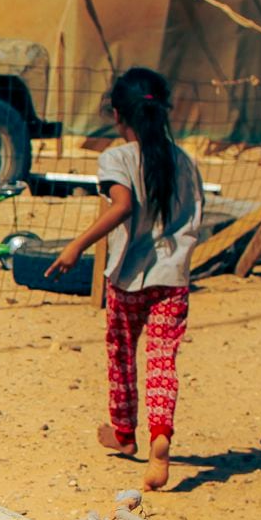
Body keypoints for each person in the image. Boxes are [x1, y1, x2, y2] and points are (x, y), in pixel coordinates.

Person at [47, 67, 200, 490]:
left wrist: (75, 246)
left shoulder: (116, 159)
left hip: (128, 275)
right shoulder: (185, 161)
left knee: (121, 353)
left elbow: (122, 205)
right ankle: (160, 438)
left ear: (117, 114)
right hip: (173, 276)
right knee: (162, 360)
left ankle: (124, 432)